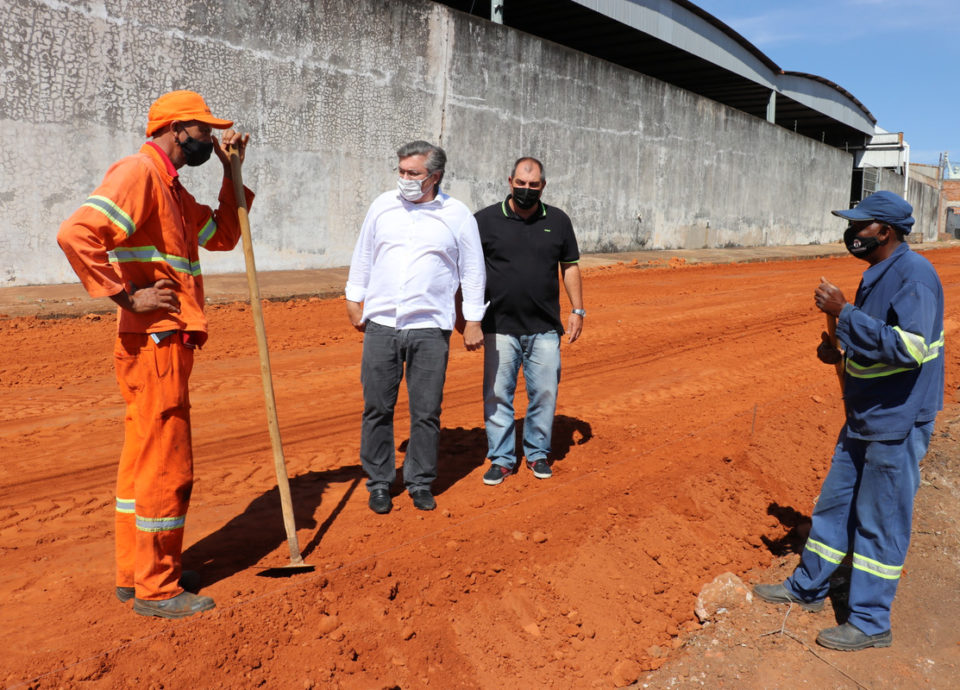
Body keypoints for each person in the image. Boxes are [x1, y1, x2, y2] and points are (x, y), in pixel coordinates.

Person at [57, 90, 253, 619]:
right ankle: (158, 588)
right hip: (156, 343)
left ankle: (134, 574)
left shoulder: (173, 190)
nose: (210, 140)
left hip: (161, 344)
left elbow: (224, 236)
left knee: (141, 461)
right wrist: (128, 295)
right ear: (175, 129)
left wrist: (233, 174)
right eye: (204, 131)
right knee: (168, 465)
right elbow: (76, 234)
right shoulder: (140, 173)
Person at [754, 190, 944, 651]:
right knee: (834, 506)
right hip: (866, 413)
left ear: (885, 231)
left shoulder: (914, 275)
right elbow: (878, 341)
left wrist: (844, 313)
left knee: (880, 521)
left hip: (896, 421)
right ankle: (808, 588)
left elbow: (910, 348)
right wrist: (840, 348)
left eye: (860, 226)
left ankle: (871, 622)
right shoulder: (879, 273)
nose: (852, 233)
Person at [345, 140, 486, 514]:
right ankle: (378, 482)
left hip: (430, 328)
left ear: (434, 176)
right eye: (402, 172)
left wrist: (472, 319)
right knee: (377, 406)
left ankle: (420, 481)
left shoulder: (457, 215)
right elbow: (364, 252)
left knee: (426, 411)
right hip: (382, 324)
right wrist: (352, 295)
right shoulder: (382, 206)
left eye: (413, 174)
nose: (405, 179)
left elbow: (473, 270)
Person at [474, 157, 584, 485]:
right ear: (510, 181)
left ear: (543, 186)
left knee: (545, 393)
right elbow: (469, 272)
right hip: (499, 326)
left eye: (533, 185)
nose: (526, 190)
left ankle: (537, 453)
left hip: (545, 327)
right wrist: (469, 319)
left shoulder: (559, 221)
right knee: (497, 396)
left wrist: (578, 310)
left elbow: (570, 267)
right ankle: (502, 458)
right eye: (521, 184)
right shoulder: (484, 220)